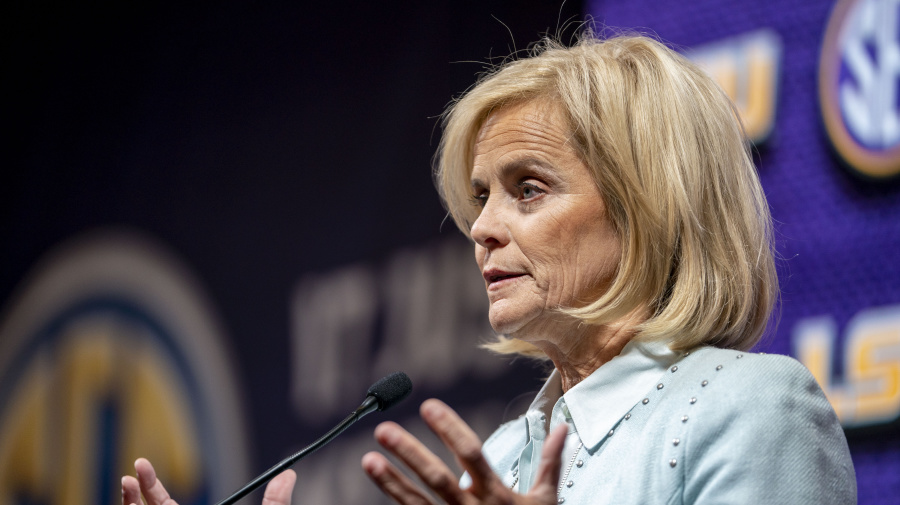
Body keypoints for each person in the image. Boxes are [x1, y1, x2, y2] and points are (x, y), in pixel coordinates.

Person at [121, 33, 856, 505]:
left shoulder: (756, 411)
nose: (481, 227)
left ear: (646, 209)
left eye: (527, 189)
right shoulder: (499, 457)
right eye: (480, 197)